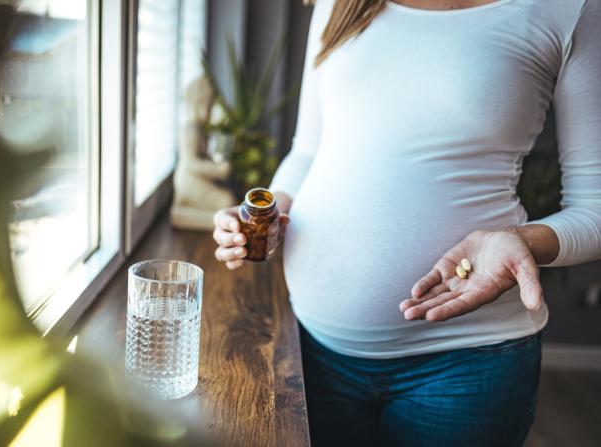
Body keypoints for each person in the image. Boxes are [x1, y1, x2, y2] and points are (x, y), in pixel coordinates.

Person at [212, 0, 601, 445]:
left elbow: (596, 208)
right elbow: (309, 149)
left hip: (465, 366)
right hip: (310, 349)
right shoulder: (340, 3)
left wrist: (520, 240)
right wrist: (268, 212)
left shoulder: (570, 9)